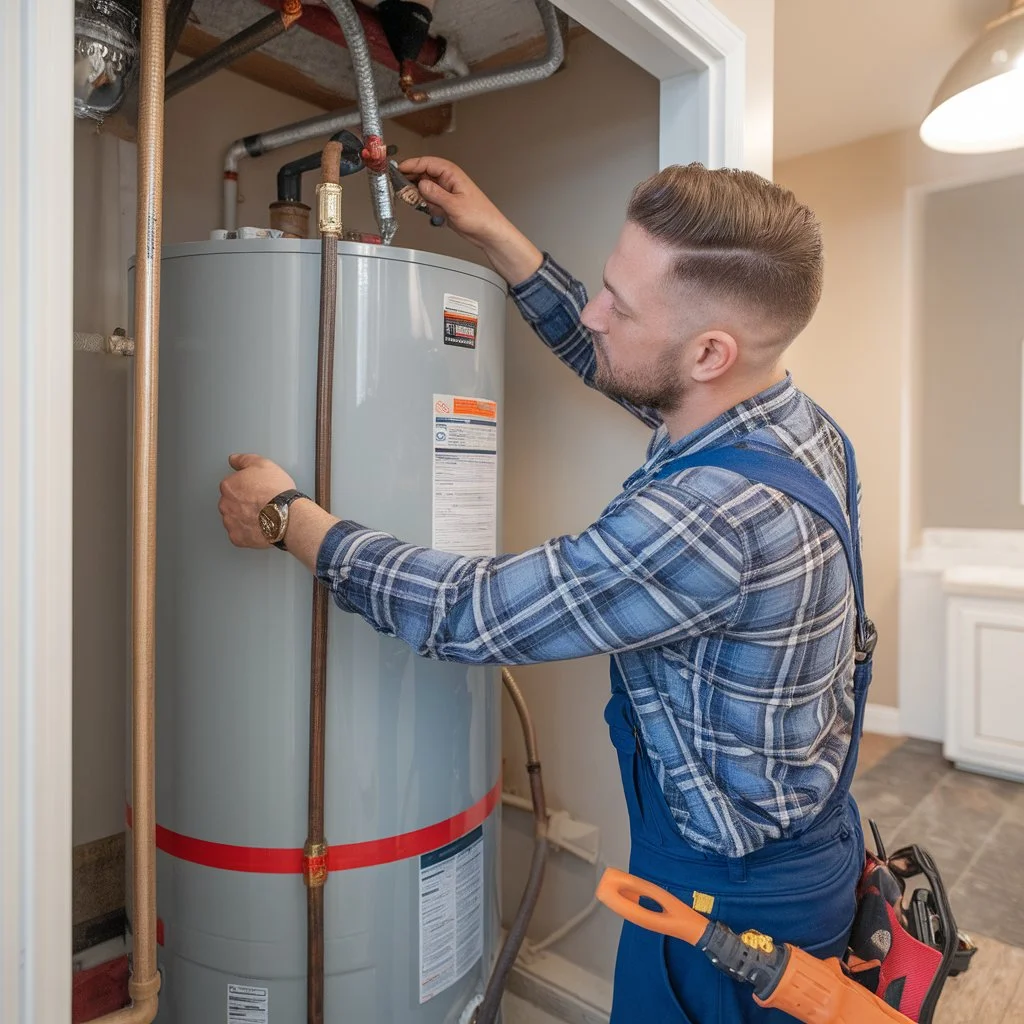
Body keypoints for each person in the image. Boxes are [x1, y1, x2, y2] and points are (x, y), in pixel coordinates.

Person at [218, 157, 876, 1023]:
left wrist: (287, 519)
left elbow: (472, 611)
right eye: (606, 287)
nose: (598, 314)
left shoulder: (713, 516)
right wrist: (497, 234)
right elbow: (625, 361)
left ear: (709, 352)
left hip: (733, 904)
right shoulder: (786, 421)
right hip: (806, 840)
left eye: (620, 303)